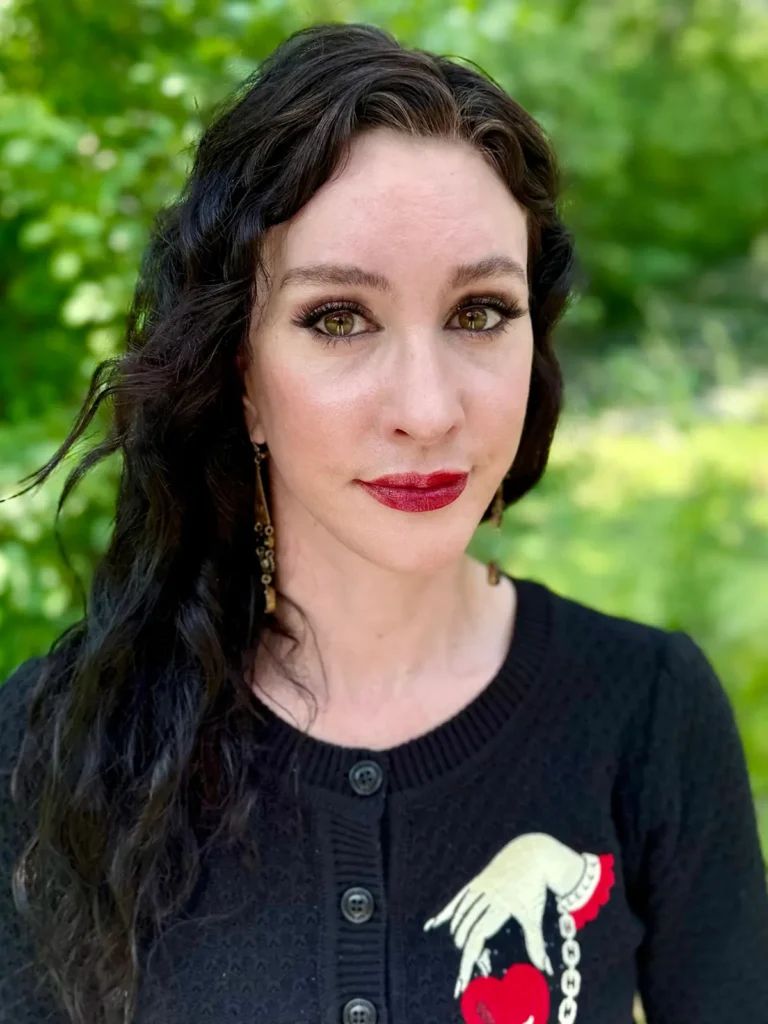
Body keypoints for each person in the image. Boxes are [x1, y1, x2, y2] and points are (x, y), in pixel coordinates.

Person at [0, 20, 766, 1024]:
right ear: (243, 375)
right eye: (338, 318)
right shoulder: (50, 745)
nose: (430, 406)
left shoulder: (648, 713)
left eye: (481, 311)